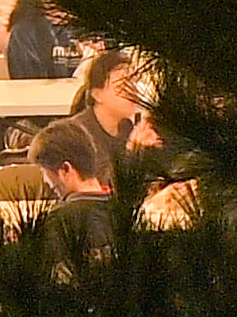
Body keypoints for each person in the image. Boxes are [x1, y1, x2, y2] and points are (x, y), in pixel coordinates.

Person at [36, 46, 159, 220]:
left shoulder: (125, 127)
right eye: (122, 85)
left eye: (134, 83)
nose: (133, 92)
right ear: (97, 94)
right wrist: (133, 151)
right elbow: (98, 187)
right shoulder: (79, 133)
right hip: (79, 218)